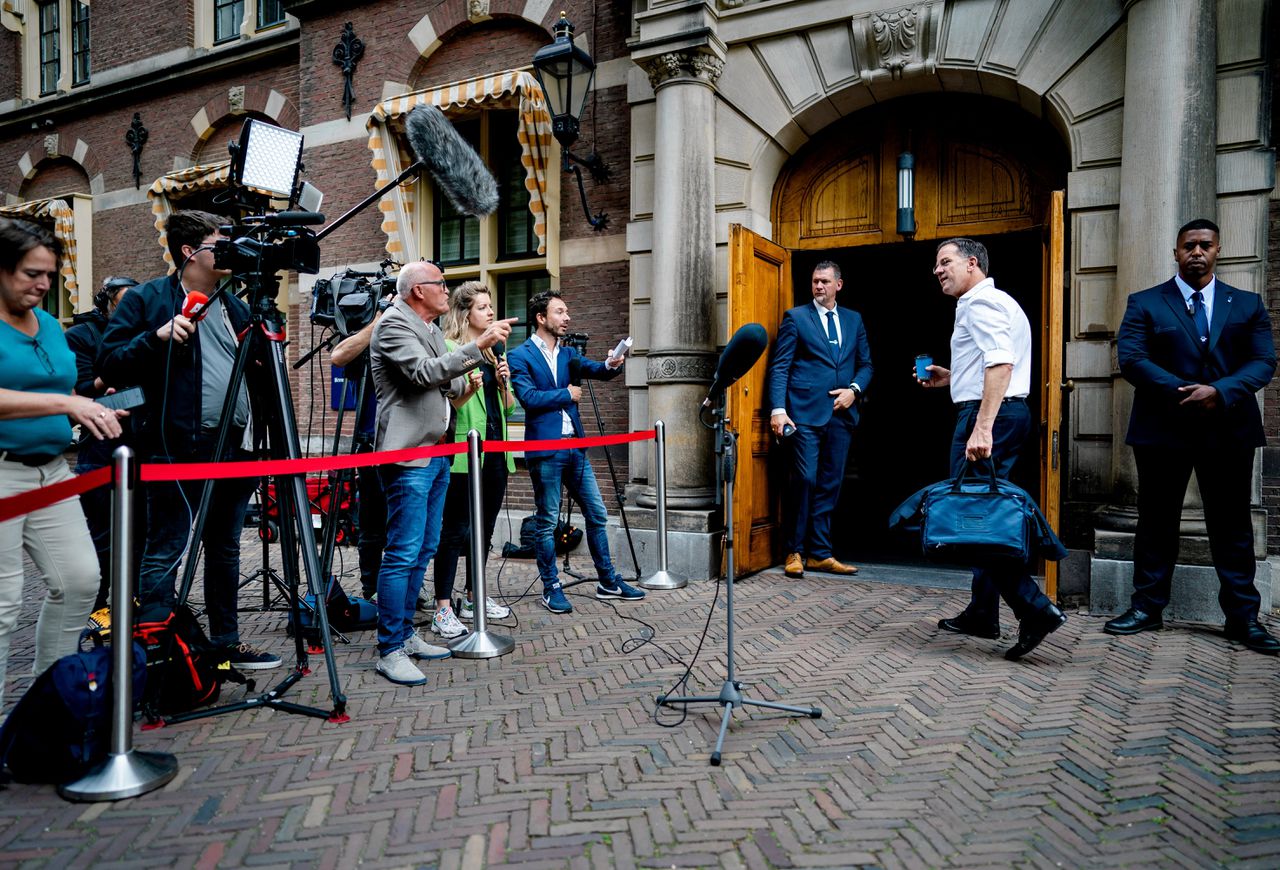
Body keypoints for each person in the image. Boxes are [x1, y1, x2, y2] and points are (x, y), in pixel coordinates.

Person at [97, 210, 281, 670]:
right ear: (189, 251)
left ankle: (226, 642)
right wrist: (158, 337)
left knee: (225, 547)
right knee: (168, 547)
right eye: (220, 243)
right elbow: (110, 362)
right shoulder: (147, 299)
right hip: (177, 446)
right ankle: (154, 649)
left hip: (234, 446)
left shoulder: (236, 304)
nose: (230, 252)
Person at [1105, 218, 1279, 654]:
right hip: (1162, 428)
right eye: (1188, 246)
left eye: (1205, 245)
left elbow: (1263, 362)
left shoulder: (1248, 304)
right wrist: (1183, 392)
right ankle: (1147, 607)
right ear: (1176, 252)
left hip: (1229, 429)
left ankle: (1243, 619)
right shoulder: (1145, 303)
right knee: (1156, 520)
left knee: (1232, 526)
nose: (1196, 252)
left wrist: (1219, 392)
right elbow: (1132, 359)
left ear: (1218, 249)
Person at [917, 237, 1066, 661]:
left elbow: (1001, 363)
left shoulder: (980, 303)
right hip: (1002, 412)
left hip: (990, 417)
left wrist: (981, 427)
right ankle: (983, 611)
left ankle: (1035, 610)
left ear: (972, 263)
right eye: (936, 264)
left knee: (974, 519)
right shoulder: (997, 301)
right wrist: (953, 377)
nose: (937, 270)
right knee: (982, 515)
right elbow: (992, 362)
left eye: (944, 262)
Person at [368, 260, 513, 685]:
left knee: (425, 546)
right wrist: (477, 344)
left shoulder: (430, 329)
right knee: (401, 551)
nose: (447, 291)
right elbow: (423, 374)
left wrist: (469, 384)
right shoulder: (394, 325)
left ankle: (407, 634)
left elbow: (445, 387)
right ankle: (390, 649)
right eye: (441, 284)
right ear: (418, 290)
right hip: (408, 456)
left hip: (437, 452)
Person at [0, 218, 123, 712]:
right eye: (32, 273)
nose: (44, 285)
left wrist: (92, 404)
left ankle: (47, 709)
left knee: (78, 581)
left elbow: (54, 389)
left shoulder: (50, 324)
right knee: (3, 606)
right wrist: (66, 406)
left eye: (50, 275)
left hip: (52, 471)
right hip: (4, 472)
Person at [507, 290, 644, 614]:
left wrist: (613, 363)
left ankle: (608, 580)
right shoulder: (520, 355)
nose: (567, 317)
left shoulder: (568, 355)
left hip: (575, 450)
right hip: (546, 450)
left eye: (567, 311)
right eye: (560, 312)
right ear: (541, 318)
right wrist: (566, 394)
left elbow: (598, 370)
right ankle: (551, 587)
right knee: (547, 522)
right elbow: (528, 398)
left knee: (597, 513)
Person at [768, 260, 873, 578]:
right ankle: (795, 551)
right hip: (804, 416)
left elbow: (866, 365)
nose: (818, 286)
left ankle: (821, 554)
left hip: (842, 416)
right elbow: (780, 366)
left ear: (838, 284)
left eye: (825, 281)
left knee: (830, 484)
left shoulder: (854, 320)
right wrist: (778, 409)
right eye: (815, 281)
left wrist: (854, 390)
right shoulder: (796, 318)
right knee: (805, 481)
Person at [433, 281, 516, 634]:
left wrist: (502, 384)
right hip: (465, 455)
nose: (491, 312)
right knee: (455, 531)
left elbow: (509, 409)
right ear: (465, 313)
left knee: (485, 530)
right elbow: (445, 406)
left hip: (496, 454)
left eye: (491, 306)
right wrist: (468, 389)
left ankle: (473, 596)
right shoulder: (453, 349)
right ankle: (442, 608)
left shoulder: (493, 354)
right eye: (483, 307)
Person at [65, 275, 139, 611]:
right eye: (122, 303)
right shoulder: (81, 336)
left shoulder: (143, 334)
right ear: (104, 302)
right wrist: (109, 378)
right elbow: (78, 392)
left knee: (142, 532)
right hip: (99, 448)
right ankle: (95, 607)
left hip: (144, 442)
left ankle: (135, 603)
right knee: (102, 536)